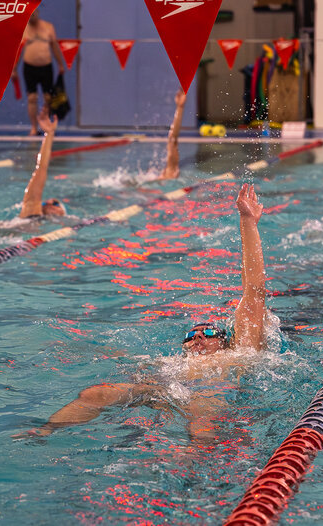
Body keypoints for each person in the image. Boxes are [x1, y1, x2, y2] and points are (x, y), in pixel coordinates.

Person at [14, 184, 270, 441]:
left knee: (200, 419)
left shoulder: (239, 353)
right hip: (164, 389)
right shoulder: (171, 364)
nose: (198, 337)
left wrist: (248, 222)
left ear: (225, 341)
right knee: (95, 394)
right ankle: (43, 432)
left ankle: (191, 468)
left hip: (209, 395)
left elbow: (255, 291)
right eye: (191, 335)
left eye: (209, 332)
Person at [20, 11, 67, 136]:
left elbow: (55, 47)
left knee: (48, 97)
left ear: (38, 13)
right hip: (29, 67)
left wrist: (60, 64)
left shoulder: (48, 27)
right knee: (32, 98)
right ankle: (34, 127)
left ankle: (46, 124)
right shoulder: (23, 28)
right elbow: (18, 50)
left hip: (46, 67)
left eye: (34, 13)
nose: (32, 16)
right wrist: (13, 69)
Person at [18, 113, 66, 218]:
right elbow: (41, 168)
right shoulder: (32, 210)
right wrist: (49, 134)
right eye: (45, 203)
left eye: (55, 204)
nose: (49, 203)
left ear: (62, 213)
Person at [157, 91, 187, 181]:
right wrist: (180, 107)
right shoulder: (171, 174)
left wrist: (180, 107)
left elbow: (172, 140)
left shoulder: (167, 174)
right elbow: (172, 140)